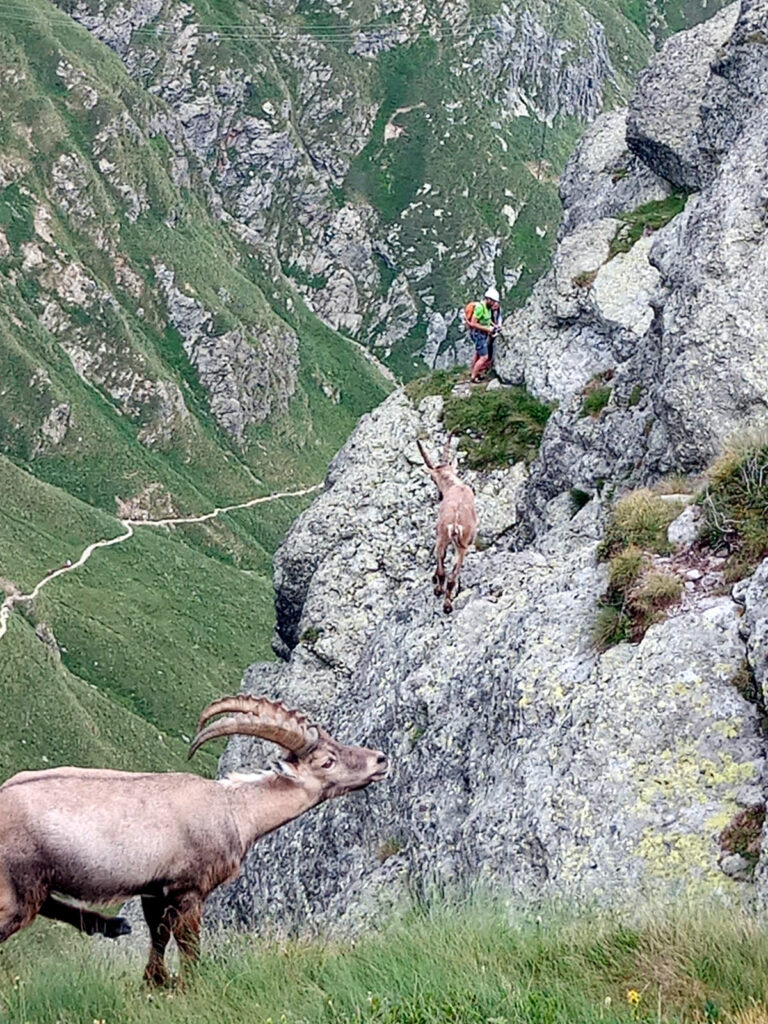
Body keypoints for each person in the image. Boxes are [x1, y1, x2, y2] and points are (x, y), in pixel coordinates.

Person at [467, 286, 502, 382]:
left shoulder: (488, 308)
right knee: (484, 357)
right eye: (493, 301)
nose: (495, 303)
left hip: (482, 333)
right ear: (489, 299)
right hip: (478, 334)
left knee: (478, 353)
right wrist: (487, 329)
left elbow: (487, 319)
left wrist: (494, 325)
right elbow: (473, 323)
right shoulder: (480, 308)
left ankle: (474, 372)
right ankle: (473, 377)